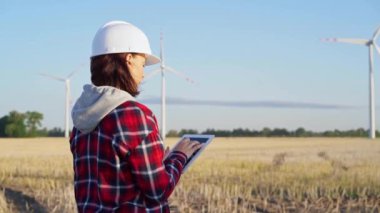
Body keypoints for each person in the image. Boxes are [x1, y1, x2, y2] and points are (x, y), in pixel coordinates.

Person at [69, 20, 202, 212]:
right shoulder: (133, 115)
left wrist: (158, 163)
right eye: (142, 64)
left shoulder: (81, 117)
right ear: (128, 59)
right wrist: (179, 156)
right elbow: (158, 190)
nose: (142, 74)